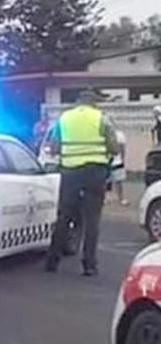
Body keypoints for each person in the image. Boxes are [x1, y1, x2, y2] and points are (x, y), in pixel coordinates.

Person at [44, 89, 119, 276]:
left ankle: (52, 260)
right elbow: (114, 147)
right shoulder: (101, 117)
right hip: (95, 171)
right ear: (93, 102)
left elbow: (54, 147)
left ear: (78, 101)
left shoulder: (64, 118)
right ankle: (89, 264)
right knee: (92, 218)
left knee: (64, 215)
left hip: (70, 170)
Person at [110, 129, 129, 206]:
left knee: (118, 181)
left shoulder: (119, 135)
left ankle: (121, 198)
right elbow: (122, 149)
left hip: (116, 161)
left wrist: (122, 159)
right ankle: (120, 198)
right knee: (106, 182)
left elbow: (122, 149)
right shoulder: (119, 135)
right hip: (108, 161)